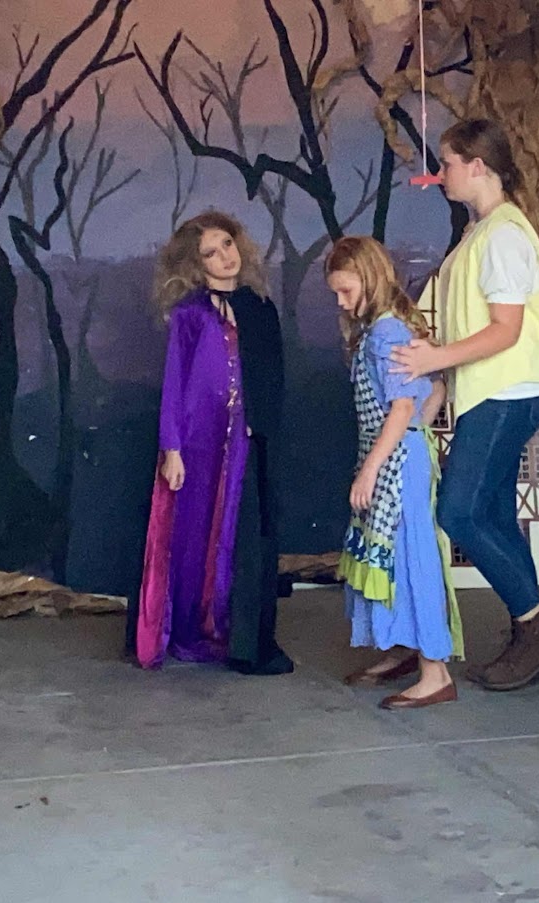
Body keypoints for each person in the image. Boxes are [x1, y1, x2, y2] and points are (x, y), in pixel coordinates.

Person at [389, 119, 539, 692]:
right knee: (491, 514)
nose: (440, 173)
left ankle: (537, 627)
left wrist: (433, 361)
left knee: (460, 512)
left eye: (447, 163)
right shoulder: (483, 231)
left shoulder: (504, 236)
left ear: (478, 165)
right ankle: (530, 630)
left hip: (506, 392)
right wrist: (442, 375)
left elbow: (505, 330)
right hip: (494, 392)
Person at [130, 211, 294, 676]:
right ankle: (186, 629)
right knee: (191, 533)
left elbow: (273, 378)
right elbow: (175, 382)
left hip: (243, 442)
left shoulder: (259, 308)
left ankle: (226, 628)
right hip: (197, 440)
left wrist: (261, 425)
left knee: (233, 533)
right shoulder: (190, 315)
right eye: (210, 252)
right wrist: (172, 447)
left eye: (227, 243)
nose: (224, 257)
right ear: (195, 263)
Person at [328, 236, 462, 710]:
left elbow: (402, 407)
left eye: (346, 291)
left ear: (369, 279)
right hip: (396, 453)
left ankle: (435, 672)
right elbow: (435, 389)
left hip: (395, 461)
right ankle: (406, 647)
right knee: (392, 556)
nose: (341, 302)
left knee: (411, 557)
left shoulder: (386, 332)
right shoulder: (383, 329)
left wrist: (370, 469)